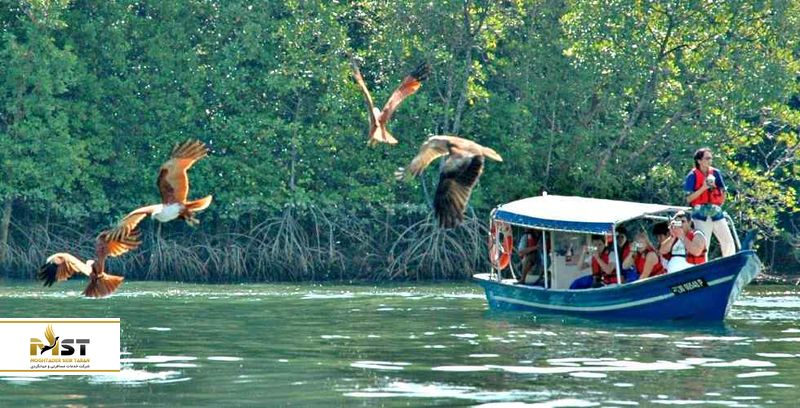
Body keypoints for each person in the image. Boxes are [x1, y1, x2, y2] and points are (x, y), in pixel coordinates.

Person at [684, 147, 735, 259]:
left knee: (728, 241)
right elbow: (688, 199)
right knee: (704, 243)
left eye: (711, 158)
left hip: (716, 212)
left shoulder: (716, 173)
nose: (710, 161)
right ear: (699, 160)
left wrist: (719, 203)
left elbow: (723, 191)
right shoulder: (692, 175)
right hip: (700, 214)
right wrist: (703, 188)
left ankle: (730, 263)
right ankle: (703, 266)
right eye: (707, 158)